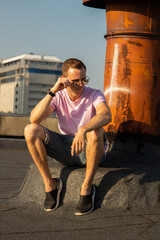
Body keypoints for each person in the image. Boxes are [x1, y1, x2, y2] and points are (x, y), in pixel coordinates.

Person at [24, 58, 111, 215]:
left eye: (84, 80)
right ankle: (50, 184)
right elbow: (34, 119)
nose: (81, 84)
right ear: (65, 80)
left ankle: (87, 187)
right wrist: (53, 91)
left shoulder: (94, 94)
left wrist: (83, 129)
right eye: (75, 81)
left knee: (96, 131)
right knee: (30, 130)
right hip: (66, 149)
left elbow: (105, 115)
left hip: (89, 148)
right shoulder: (58, 96)